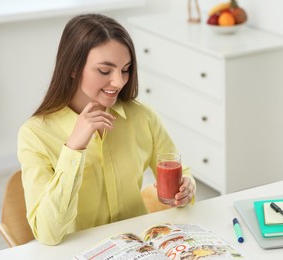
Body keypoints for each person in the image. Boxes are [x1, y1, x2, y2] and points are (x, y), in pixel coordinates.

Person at [17, 13, 196, 246]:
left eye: (125, 69)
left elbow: (178, 172)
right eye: (104, 71)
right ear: (72, 68)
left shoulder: (142, 117)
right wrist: (74, 148)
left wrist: (187, 188)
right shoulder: (35, 135)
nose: (119, 82)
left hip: (139, 248)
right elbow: (48, 234)